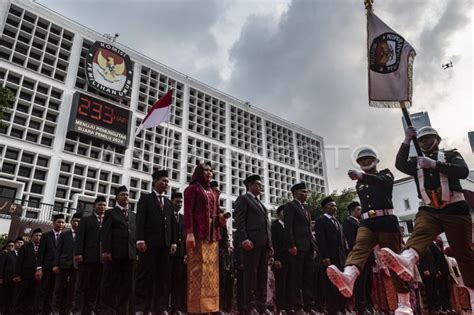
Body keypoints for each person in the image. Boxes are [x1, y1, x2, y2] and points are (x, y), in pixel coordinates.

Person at [380, 126, 474, 312]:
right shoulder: (416, 162)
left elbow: (462, 171)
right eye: (421, 140)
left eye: (428, 138)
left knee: (464, 254)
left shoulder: (449, 155)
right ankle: (406, 259)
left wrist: (434, 165)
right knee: (420, 232)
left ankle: (473, 294)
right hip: (429, 209)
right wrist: (406, 141)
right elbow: (399, 164)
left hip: (455, 208)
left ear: (437, 139)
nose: (424, 142)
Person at [326, 148, 411, 315]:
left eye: (368, 159)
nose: (365, 162)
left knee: (394, 262)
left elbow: (383, 183)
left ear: (376, 160)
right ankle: (348, 276)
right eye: (361, 160)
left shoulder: (385, 174)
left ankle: (404, 303)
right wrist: (361, 178)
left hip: (386, 221)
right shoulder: (360, 183)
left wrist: (362, 176)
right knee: (359, 247)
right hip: (367, 222)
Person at [184, 162, 227, 314]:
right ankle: (196, 308)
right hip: (197, 234)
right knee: (197, 270)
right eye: (206, 170)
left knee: (211, 271)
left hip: (212, 236)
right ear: (198, 172)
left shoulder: (213, 193)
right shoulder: (191, 189)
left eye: (211, 171)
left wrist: (221, 219)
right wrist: (189, 233)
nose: (209, 173)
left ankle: (211, 307)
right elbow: (188, 212)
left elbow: (215, 215)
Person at [134, 170, 177, 315]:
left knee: (163, 278)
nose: (166, 184)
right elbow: (140, 221)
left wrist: (173, 242)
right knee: (145, 276)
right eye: (163, 181)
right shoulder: (145, 199)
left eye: (167, 182)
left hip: (164, 246)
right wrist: (140, 239)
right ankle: (140, 307)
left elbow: (172, 224)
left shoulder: (169, 203)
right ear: (155, 182)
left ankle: (160, 307)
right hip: (149, 245)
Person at [234, 174, 272, 315]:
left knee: (262, 275)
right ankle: (251, 306)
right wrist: (244, 238)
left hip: (263, 245)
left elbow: (266, 226)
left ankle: (262, 305)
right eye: (258, 184)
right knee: (250, 275)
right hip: (251, 243)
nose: (260, 187)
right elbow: (239, 220)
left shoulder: (261, 204)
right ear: (250, 185)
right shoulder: (243, 199)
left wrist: (270, 245)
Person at [100, 185, 137, 315]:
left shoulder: (133, 215)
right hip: (114, 255)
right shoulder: (110, 213)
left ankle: (122, 311)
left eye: (127, 195)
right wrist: (106, 251)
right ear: (116, 198)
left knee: (127, 285)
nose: (125, 197)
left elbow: (135, 234)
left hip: (130, 255)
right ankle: (108, 310)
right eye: (122, 195)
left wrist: (135, 252)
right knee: (111, 284)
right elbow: (106, 233)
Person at [284, 182, 316, 315]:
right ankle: (297, 307)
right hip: (297, 247)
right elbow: (288, 227)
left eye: (306, 192)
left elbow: (309, 230)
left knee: (308, 278)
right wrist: (291, 245)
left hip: (308, 247)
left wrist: (313, 247)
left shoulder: (306, 209)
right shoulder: (291, 206)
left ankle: (309, 306)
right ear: (295, 193)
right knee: (296, 278)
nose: (306, 194)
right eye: (303, 191)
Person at [73, 196, 107, 315]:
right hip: (87, 258)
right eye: (100, 205)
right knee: (82, 285)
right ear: (94, 207)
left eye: (104, 205)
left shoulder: (108, 221)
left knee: (95, 286)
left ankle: (90, 309)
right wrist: (78, 253)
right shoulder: (86, 220)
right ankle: (78, 309)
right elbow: (79, 238)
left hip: (101, 259)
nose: (102, 207)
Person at [315, 197, 347, 315]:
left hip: (340, 258)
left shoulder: (338, 222)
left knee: (341, 283)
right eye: (331, 206)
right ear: (325, 208)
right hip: (329, 258)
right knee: (330, 285)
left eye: (335, 205)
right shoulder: (321, 221)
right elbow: (321, 241)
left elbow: (342, 242)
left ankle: (341, 307)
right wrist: (325, 257)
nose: (334, 208)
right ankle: (332, 309)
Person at [342, 201, 374, 314]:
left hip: (368, 256)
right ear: (352, 211)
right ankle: (361, 307)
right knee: (360, 283)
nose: (360, 212)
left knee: (369, 282)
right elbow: (351, 241)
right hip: (359, 257)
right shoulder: (348, 222)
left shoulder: (362, 223)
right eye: (358, 210)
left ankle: (369, 305)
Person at [35, 213, 66, 315]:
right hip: (46, 268)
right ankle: (39, 312)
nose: (60, 224)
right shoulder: (45, 236)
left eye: (62, 222)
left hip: (59, 270)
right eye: (58, 222)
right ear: (53, 223)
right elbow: (40, 253)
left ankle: (48, 312)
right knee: (42, 291)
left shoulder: (65, 237)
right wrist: (39, 268)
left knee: (54, 292)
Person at [52, 212, 81, 315]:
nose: (76, 223)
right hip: (63, 265)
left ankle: (68, 310)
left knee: (72, 290)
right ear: (71, 222)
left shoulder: (84, 236)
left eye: (79, 221)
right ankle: (55, 310)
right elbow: (58, 251)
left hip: (77, 266)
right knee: (58, 289)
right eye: (74, 221)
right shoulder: (64, 235)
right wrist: (56, 264)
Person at [211, 181, 233, 315]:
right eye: (215, 191)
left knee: (221, 281)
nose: (217, 194)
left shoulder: (221, 212)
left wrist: (224, 251)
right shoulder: (204, 209)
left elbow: (224, 235)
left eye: (219, 192)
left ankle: (219, 307)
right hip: (207, 250)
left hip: (220, 253)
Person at [13, 228, 42, 315]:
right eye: (36, 235)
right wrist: (17, 275)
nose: (38, 237)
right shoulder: (25, 247)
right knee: (21, 297)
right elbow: (19, 262)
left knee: (32, 298)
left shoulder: (42, 248)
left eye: (40, 236)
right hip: (24, 277)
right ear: (32, 237)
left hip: (36, 278)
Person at [170, 192, 186, 315]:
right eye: (177, 201)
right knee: (165, 281)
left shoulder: (183, 218)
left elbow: (186, 237)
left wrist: (186, 253)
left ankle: (176, 308)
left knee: (178, 282)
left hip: (180, 255)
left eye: (181, 202)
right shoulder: (167, 215)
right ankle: (163, 306)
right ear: (171, 201)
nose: (179, 204)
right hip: (167, 255)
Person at [271, 205, 290, 315]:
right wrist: (276, 259)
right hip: (280, 260)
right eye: (284, 212)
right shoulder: (275, 226)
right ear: (279, 213)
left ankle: (288, 307)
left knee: (290, 284)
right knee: (280, 285)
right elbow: (275, 243)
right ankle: (280, 308)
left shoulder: (289, 226)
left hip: (290, 260)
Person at [0, 239, 18, 315]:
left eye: (12, 246)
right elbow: (1, 267)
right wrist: (0, 278)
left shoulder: (18, 255)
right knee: (4, 298)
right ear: (6, 247)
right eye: (9, 246)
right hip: (5, 281)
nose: (11, 247)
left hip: (15, 281)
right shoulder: (4, 255)